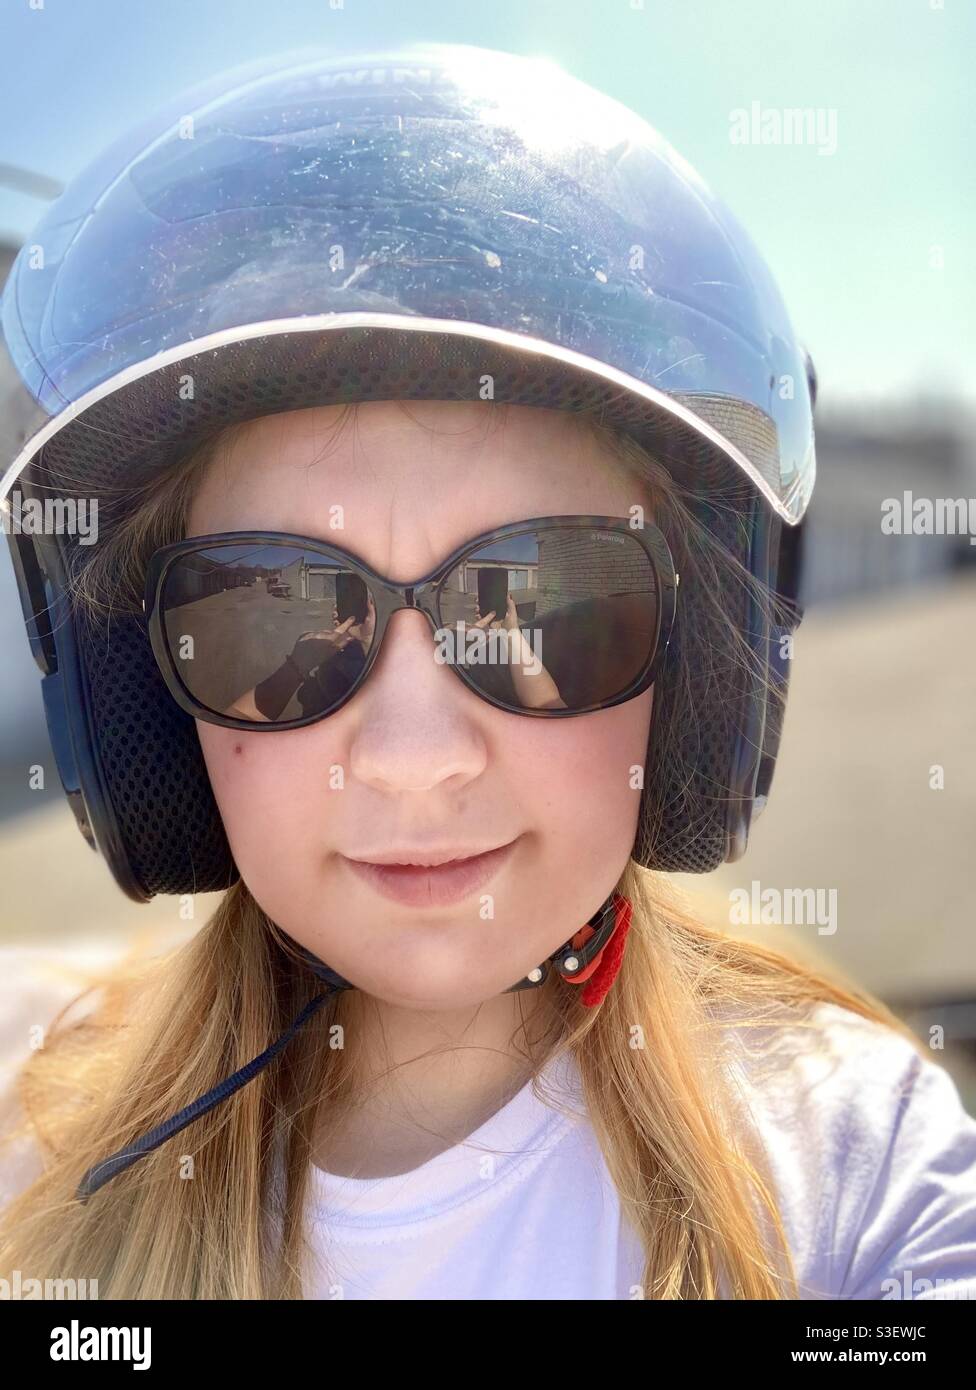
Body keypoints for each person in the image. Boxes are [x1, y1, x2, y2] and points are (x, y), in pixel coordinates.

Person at [0, 45, 974, 1301]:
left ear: (699, 686)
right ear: (131, 688)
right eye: (271, 617)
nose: (415, 756)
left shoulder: (854, 1169)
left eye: (539, 606)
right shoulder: (32, 1130)